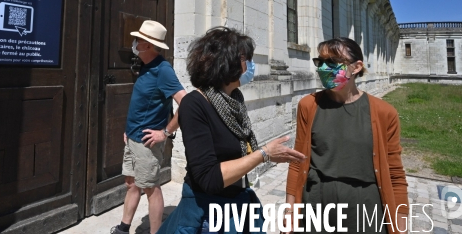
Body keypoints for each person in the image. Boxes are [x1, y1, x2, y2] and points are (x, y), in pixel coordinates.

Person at [159, 27, 306, 234]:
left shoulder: (234, 100)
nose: (251, 66)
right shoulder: (195, 104)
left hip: (236, 202)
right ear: (227, 62)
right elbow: (208, 178)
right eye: (246, 59)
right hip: (208, 213)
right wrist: (263, 154)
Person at [283, 37, 409, 234]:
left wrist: (400, 223)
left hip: (365, 210)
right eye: (320, 62)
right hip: (317, 206)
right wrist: (289, 211)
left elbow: (394, 172)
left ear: (356, 67)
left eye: (332, 62)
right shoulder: (309, 105)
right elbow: (297, 161)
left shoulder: (384, 112)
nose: (324, 68)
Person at [111, 20, 187, 234]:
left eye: (138, 40)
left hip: (147, 143)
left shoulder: (163, 70)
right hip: (133, 138)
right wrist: (129, 129)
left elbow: (187, 103)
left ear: (149, 45)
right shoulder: (145, 67)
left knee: (151, 188)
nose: (134, 43)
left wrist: (165, 132)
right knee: (133, 184)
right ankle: (123, 228)